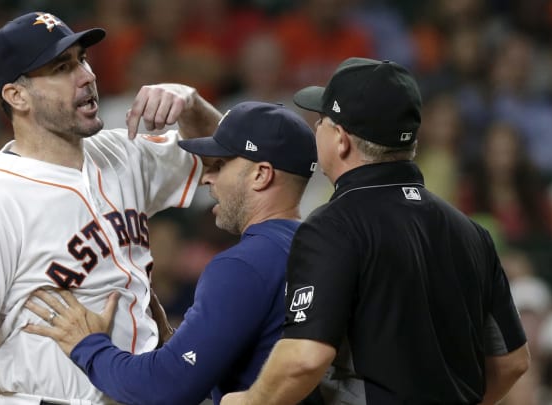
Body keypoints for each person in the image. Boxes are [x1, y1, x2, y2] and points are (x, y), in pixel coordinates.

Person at [0, 11, 222, 405]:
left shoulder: (124, 152)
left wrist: (190, 104)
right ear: (16, 96)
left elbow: (231, 164)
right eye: (62, 67)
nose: (87, 75)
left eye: (82, 59)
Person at [222, 58, 531, 405]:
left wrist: (247, 401)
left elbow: (304, 358)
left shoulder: (331, 226)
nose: (316, 127)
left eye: (321, 121)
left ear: (340, 139)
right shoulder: (471, 232)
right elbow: (511, 362)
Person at [22, 101, 320, 405]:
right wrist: (184, 342)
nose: (207, 177)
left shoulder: (242, 264)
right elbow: (260, 356)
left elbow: (164, 388)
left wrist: (89, 346)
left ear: (261, 175)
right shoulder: (316, 246)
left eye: (220, 165)